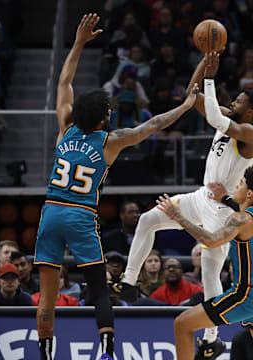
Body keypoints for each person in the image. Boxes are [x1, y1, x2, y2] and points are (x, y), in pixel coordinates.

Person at [33, 13, 198, 360]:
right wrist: (184, 106)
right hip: (79, 214)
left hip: (50, 211)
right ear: (104, 117)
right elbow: (153, 124)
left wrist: (78, 42)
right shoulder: (111, 142)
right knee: (98, 288)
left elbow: (64, 81)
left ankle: (45, 353)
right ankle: (107, 351)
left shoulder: (65, 126)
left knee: (46, 296)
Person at [112, 51, 253, 358]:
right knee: (149, 219)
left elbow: (214, 115)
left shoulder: (249, 133)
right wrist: (205, 61)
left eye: (241, 100)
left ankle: (212, 339)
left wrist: (213, 78)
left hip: (224, 208)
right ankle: (130, 281)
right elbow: (192, 96)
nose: (236, 102)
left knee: (211, 268)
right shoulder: (228, 117)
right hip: (201, 195)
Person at [155, 165, 253, 360]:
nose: (236, 185)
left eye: (240, 183)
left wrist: (178, 217)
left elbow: (211, 240)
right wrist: (225, 198)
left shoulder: (241, 219)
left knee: (182, 324)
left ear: (249, 192)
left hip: (246, 294)